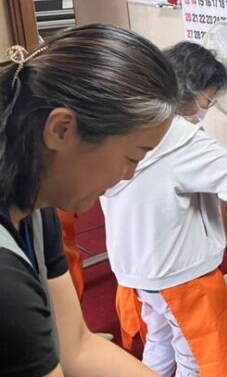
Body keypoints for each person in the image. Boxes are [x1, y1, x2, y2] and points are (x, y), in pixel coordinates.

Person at [0, 24, 180, 376]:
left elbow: (76, 346)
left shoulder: (34, 198)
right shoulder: (6, 285)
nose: (129, 174)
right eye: (132, 156)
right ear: (62, 130)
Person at [101, 41, 227, 377]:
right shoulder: (183, 139)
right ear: (192, 90)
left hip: (134, 270)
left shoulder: (124, 120)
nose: (210, 105)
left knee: (159, 341)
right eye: (210, 97)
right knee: (194, 355)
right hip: (180, 275)